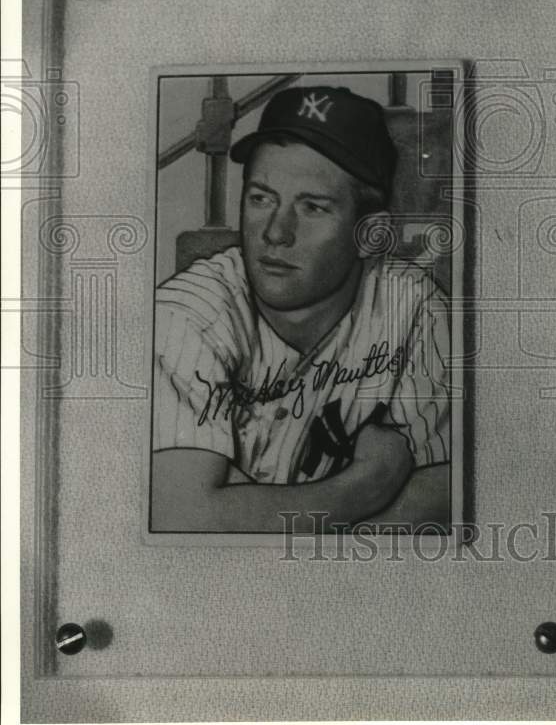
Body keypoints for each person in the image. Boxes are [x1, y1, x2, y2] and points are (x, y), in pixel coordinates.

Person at [151, 85, 450, 533]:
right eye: (261, 198)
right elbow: (179, 514)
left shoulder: (413, 306)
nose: (275, 232)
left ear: (369, 234)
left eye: (312, 207)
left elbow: (445, 493)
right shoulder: (187, 311)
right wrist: (366, 485)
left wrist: (252, 516)